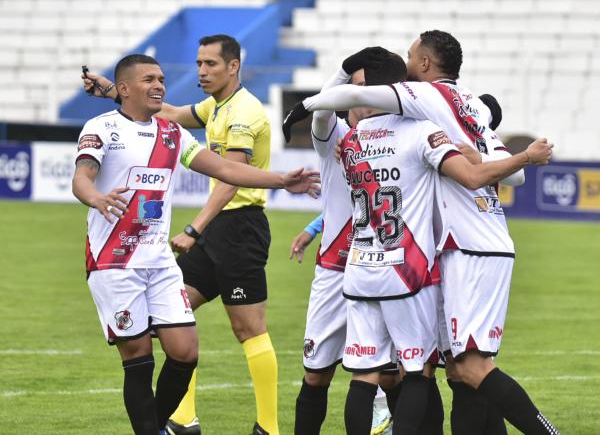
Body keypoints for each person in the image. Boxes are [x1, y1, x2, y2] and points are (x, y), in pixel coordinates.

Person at [283, 30, 560, 435]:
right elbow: (505, 174)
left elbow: (345, 104)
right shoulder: (439, 123)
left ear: (424, 65)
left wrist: (306, 104)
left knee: (449, 369)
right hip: (421, 263)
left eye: (411, 55)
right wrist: (512, 155)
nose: (407, 62)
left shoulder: (371, 131)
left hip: (375, 265)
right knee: (445, 371)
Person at [73, 53, 319, 435]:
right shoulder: (101, 128)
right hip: (114, 262)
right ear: (124, 89)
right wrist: (97, 198)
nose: (159, 85)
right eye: (149, 79)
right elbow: (81, 179)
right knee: (138, 355)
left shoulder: (172, 134)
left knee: (185, 352)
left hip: (160, 263)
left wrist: (281, 180)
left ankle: (156, 426)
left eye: (161, 78)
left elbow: (224, 168)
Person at [286, 47, 401, 435]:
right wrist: (344, 69)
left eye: (369, 90)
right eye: (353, 91)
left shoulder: (404, 139)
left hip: (385, 272)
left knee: (392, 375)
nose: (359, 98)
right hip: (335, 273)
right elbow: (320, 112)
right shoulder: (334, 138)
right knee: (316, 374)